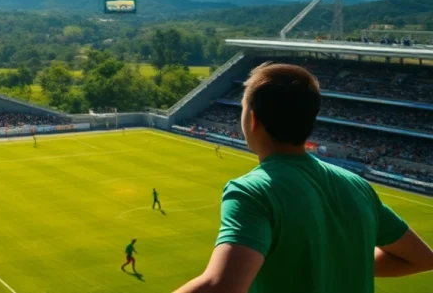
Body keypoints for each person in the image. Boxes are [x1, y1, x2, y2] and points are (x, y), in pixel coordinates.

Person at [175, 64, 433, 293]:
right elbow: (422, 259)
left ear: (253, 120)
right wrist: (328, 262)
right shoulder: (357, 186)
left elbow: (220, 287)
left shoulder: (252, 191)